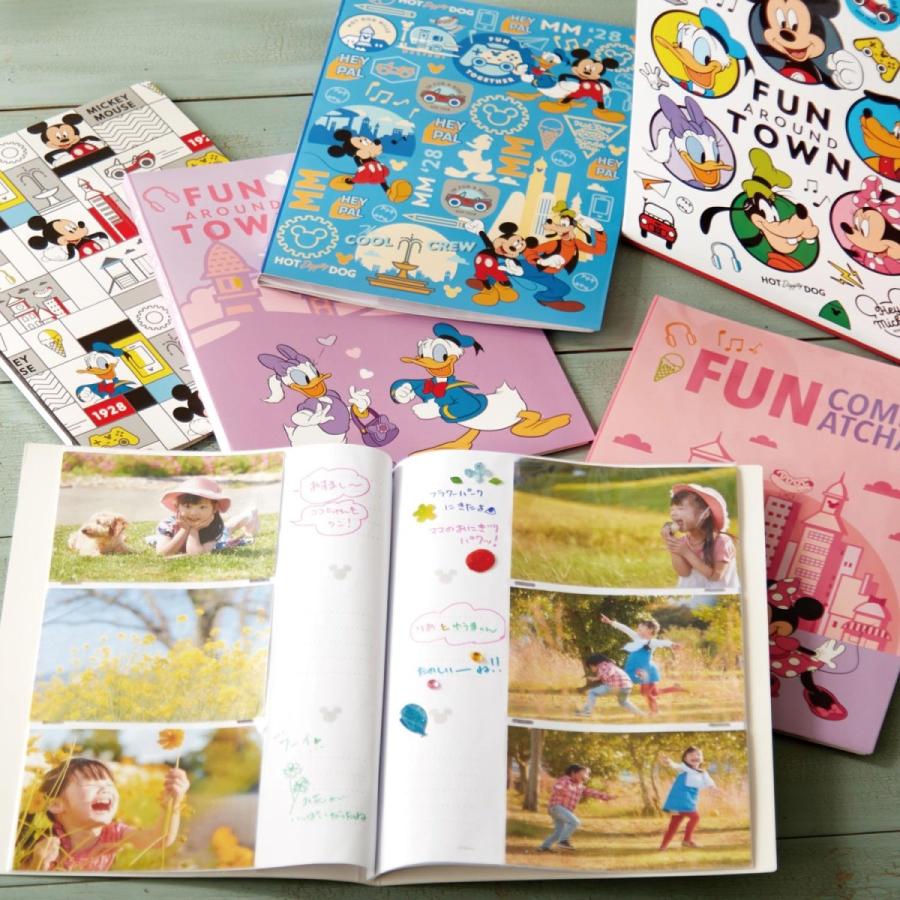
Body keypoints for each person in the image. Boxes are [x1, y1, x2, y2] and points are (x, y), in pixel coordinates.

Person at [21, 757, 189, 871]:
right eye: (91, 784)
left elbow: (159, 838)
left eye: (109, 785)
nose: (105, 789)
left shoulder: (114, 834)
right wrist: (38, 863)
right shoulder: (46, 844)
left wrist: (172, 804)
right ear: (56, 805)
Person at [146, 475, 259, 557]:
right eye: (187, 506)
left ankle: (249, 515)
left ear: (214, 509)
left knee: (228, 529)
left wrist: (193, 530)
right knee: (228, 527)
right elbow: (163, 553)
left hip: (212, 529)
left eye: (202, 507)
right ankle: (249, 514)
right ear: (177, 506)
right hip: (194, 529)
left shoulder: (214, 526)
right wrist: (184, 530)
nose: (194, 513)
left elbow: (195, 555)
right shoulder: (168, 524)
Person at [600, 613, 685, 714]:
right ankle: (674, 688)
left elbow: (663, 642)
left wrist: (672, 644)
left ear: (649, 630)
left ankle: (655, 712)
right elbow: (626, 629)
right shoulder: (637, 638)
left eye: (640, 629)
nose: (637, 630)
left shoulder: (652, 642)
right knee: (652, 692)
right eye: (638, 629)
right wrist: (610, 622)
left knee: (647, 693)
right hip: (638, 670)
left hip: (647, 671)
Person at [661, 483, 739, 590]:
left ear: (705, 514)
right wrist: (671, 543)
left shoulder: (722, 542)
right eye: (672, 510)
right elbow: (684, 573)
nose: (673, 513)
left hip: (718, 596)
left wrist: (686, 552)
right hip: (693, 596)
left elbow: (715, 577)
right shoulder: (683, 542)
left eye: (680, 508)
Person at [538, 764, 613, 852]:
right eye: (583, 773)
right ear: (573, 773)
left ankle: (544, 847)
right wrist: (560, 789)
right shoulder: (565, 780)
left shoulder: (579, 786)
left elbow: (591, 792)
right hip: (557, 807)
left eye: (586, 774)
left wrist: (606, 797)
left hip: (562, 810)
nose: (585, 776)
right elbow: (557, 787)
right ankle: (563, 842)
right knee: (575, 822)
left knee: (559, 832)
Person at [658, 746, 717, 850]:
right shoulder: (684, 768)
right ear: (685, 759)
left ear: (702, 758)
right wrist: (668, 762)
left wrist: (713, 789)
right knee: (695, 817)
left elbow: (710, 783)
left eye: (698, 754)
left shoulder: (703, 773)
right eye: (691, 755)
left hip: (689, 800)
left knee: (674, 824)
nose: (695, 756)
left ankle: (663, 847)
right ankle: (687, 840)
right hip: (679, 800)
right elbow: (674, 765)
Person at [575, 652, 644, 717]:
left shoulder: (602, 665)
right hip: (627, 686)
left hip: (615, 685)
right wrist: (596, 678)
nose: (591, 669)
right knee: (623, 702)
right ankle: (640, 714)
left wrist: (597, 678)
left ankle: (586, 712)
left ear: (593, 664)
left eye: (590, 667)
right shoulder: (609, 664)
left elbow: (609, 672)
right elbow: (609, 672)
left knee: (592, 692)